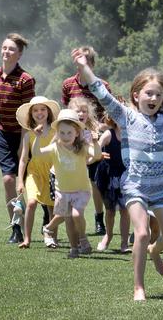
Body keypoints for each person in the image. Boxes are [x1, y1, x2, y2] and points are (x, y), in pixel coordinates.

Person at [72, 48, 163, 301]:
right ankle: (139, 287)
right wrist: (83, 67)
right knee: (142, 233)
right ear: (137, 95)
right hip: (135, 184)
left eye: (158, 94)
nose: (154, 97)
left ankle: (155, 251)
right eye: (149, 93)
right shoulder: (126, 117)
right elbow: (102, 94)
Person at [0, 33, 35, 243]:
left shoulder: (26, 80)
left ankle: (45, 222)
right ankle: (16, 227)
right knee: (8, 180)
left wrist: (24, 145)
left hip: (24, 133)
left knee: (31, 183)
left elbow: (28, 113)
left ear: (20, 54)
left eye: (11, 49)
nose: (6, 52)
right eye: (4, 48)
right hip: (4, 133)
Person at [33, 109, 101, 259]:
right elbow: (37, 153)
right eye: (62, 133)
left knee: (76, 214)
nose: (65, 136)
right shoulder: (55, 147)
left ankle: (82, 238)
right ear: (57, 132)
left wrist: (95, 142)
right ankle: (74, 248)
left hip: (81, 189)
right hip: (62, 191)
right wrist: (37, 137)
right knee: (68, 219)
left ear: (77, 133)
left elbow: (96, 155)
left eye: (69, 133)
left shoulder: (82, 147)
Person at [61, 46, 112, 236]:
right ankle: (65, 216)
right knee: (70, 178)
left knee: (95, 181)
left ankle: (99, 218)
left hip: (94, 138)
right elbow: (64, 109)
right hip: (72, 138)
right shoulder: (68, 84)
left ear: (91, 63)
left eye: (87, 62)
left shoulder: (102, 85)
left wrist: (100, 128)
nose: (83, 65)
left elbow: (109, 110)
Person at [15, 96, 60, 248]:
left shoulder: (56, 132)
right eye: (35, 110)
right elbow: (23, 160)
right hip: (34, 172)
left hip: (52, 173)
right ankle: (27, 239)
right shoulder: (28, 135)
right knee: (32, 202)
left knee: (52, 207)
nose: (39, 113)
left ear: (48, 112)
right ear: (31, 114)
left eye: (42, 109)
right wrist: (20, 180)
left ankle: (53, 237)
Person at [94, 113, 130, 253]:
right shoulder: (109, 134)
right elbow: (96, 148)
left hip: (126, 175)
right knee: (110, 211)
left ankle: (124, 243)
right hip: (108, 176)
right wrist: (99, 154)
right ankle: (108, 236)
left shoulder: (131, 135)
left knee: (125, 210)